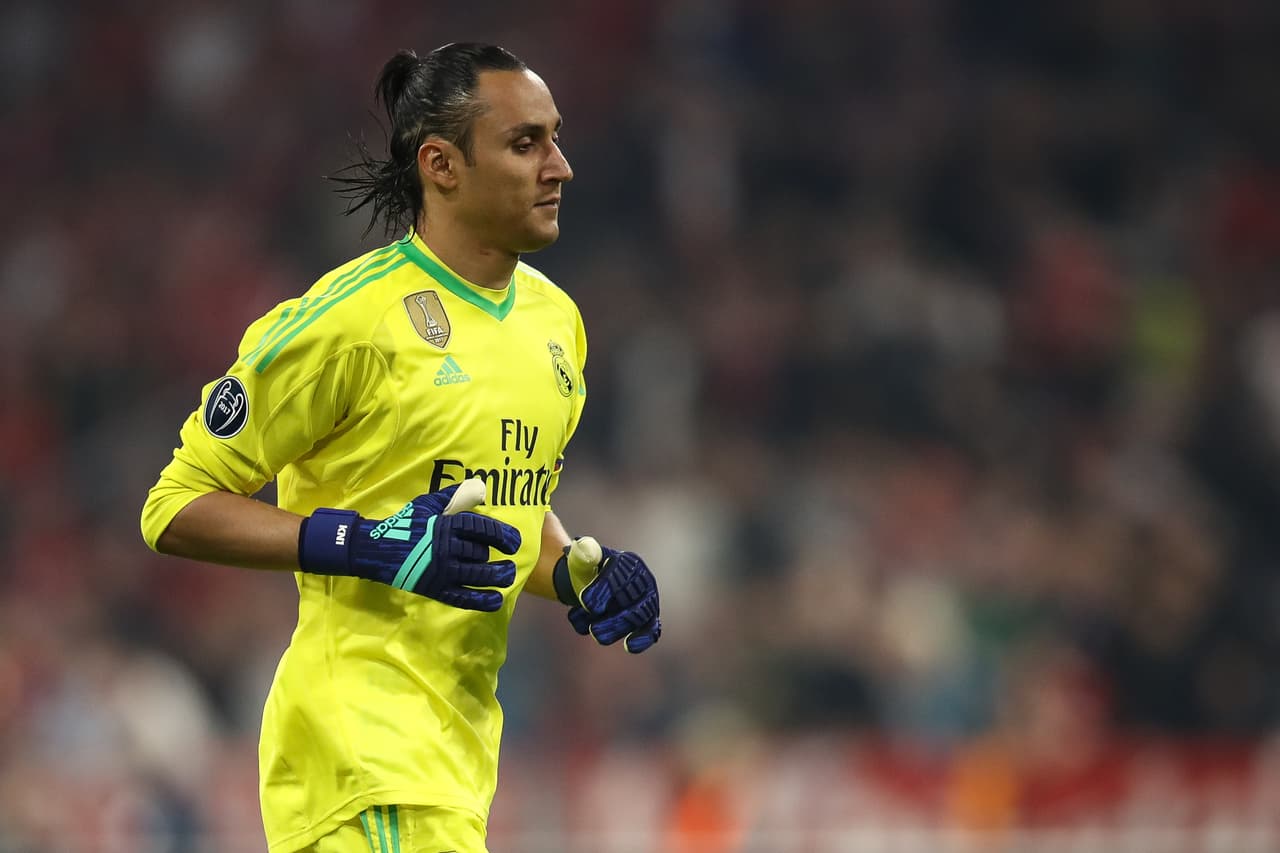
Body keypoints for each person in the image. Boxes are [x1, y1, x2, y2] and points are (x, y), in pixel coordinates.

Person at [140, 43, 661, 853]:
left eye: (555, 138)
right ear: (442, 165)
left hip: (452, 770)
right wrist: (360, 542)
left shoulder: (556, 324)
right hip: (362, 762)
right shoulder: (349, 321)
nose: (559, 166)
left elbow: (497, 509)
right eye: (526, 143)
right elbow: (173, 507)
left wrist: (579, 573)